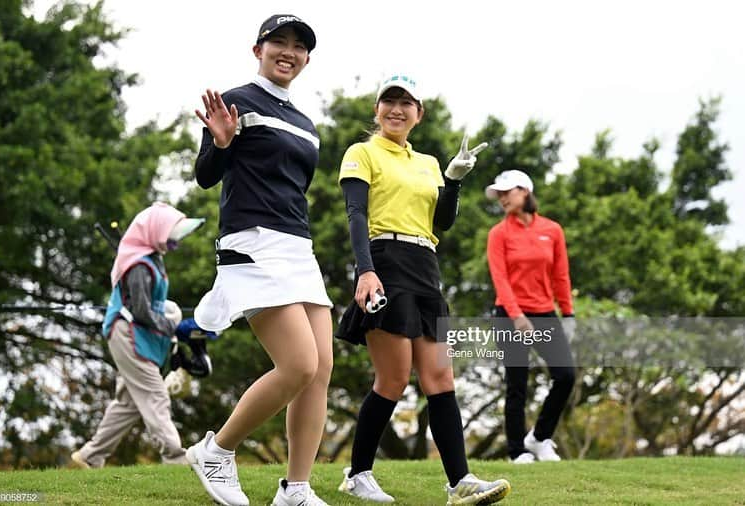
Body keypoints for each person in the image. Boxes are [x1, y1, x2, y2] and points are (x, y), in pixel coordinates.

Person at [335, 73, 511, 505]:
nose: (396, 109)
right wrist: (365, 270)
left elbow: (442, 223)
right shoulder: (362, 152)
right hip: (384, 263)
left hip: (424, 268)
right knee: (392, 380)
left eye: (406, 103)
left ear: (419, 113)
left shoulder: (428, 162)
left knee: (440, 378)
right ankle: (358, 474)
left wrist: (452, 180)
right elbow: (356, 213)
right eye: (388, 102)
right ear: (377, 110)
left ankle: (459, 483)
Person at [185, 14, 333, 506]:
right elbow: (207, 175)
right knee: (297, 365)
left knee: (321, 369)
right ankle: (216, 449)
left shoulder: (307, 125)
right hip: (252, 243)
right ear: (258, 50)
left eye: (298, 46)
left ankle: (296, 488)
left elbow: (293, 188)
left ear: (307, 58)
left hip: (298, 248)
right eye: (279, 43)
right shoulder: (235, 102)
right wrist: (223, 142)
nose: (288, 52)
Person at [70, 202, 206, 468]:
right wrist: (174, 327)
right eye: (172, 234)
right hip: (127, 334)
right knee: (156, 395)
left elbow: (149, 306)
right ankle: (175, 456)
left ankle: (89, 456)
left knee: (129, 404)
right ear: (156, 232)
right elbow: (142, 312)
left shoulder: (153, 259)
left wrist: (170, 317)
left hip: (137, 335)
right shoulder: (139, 266)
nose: (176, 241)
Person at [485, 169, 577, 464]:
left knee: (565, 376)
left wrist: (569, 313)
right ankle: (516, 451)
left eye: (506, 192)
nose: (501, 198)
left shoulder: (552, 230)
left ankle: (538, 438)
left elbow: (561, 275)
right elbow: (500, 279)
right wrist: (516, 316)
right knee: (517, 384)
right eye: (498, 194)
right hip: (509, 315)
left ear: (524, 191)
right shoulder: (498, 233)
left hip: (545, 313)